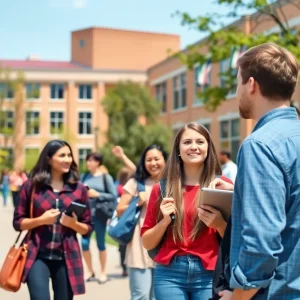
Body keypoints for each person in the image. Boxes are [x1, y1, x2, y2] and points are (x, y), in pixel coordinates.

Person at [210, 43, 300, 300]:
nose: (237, 92)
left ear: (251, 84)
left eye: (237, 83)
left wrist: (238, 297)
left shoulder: (259, 145)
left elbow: (262, 243)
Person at [141, 123, 232, 300]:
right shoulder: (162, 188)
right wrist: (165, 221)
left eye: (200, 141)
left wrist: (219, 224)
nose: (194, 147)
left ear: (208, 148)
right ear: (178, 149)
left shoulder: (223, 186)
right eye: (187, 142)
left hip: (210, 273)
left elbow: (237, 238)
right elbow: (147, 242)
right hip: (169, 274)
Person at [13, 140, 93, 300]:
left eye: (69, 155)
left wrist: (73, 224)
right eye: (62, 155)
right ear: (49, 159)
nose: (67, 159)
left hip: (66, 257)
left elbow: (88, 228)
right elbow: (18, 223)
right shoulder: (32, 186)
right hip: (37, 255)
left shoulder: (79, 189)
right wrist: (40, 220)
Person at [116, 144, 168, 300]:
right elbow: (119, 210)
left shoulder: (173, 182)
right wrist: (137, 202)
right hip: (139, 246)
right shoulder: (136, 183)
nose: (153, 163)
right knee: (141, 295)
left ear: (165, 160)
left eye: (157, 159)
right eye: (148, 159)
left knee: (157, 296)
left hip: (166, 246)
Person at [80, 152, 117, 284]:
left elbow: (113, 195)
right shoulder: (84, 176)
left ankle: (103, 272)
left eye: (91, 160)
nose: (88, 163)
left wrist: (97, 194)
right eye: (87, 160)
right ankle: (89, 271)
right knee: (84, 244)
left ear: (98, 162)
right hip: (85, 215)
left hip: (100, 215)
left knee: (101, 243)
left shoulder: (105, 177)